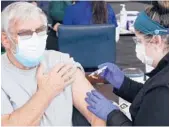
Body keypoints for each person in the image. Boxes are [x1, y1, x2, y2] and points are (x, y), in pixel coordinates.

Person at [1, 2, 106, 126]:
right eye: (25, 33)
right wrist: (47, 91)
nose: (35, 39)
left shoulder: (60, 61)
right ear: (6, 40)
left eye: (40, 30)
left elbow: (97, 113)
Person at [85, 1, 169, 126]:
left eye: (139, 41)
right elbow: (150, 99)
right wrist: (124, 84)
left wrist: (112, 114)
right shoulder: (162, 77)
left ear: (156, 40)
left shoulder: (163, 89)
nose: (137, 46)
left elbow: (156, 99)